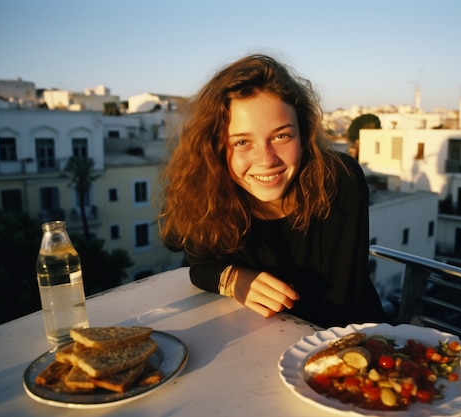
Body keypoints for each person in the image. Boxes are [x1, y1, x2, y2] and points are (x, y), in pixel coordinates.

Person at [158, 53, 387, 328]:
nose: (267, 160)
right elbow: (200, 266)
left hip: (352, 341)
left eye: (281, 136)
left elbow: (342, 301)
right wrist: (233, 280)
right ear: (215, 148)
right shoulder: (208, 190)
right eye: (242, 142)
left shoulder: (338, 179)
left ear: (303, 135)